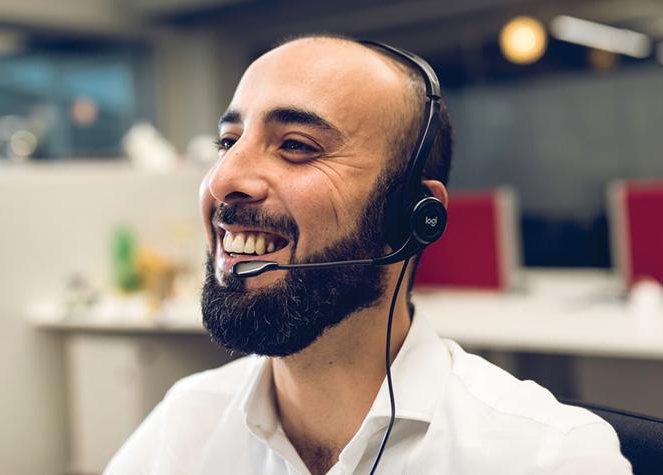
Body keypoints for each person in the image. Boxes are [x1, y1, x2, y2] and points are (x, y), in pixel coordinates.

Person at [105, 34, 631, 475]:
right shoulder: (184, 427)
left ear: (411, 213)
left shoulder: (549, 457)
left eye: (296, 145)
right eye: (228, 142)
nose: (223, 181)